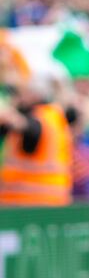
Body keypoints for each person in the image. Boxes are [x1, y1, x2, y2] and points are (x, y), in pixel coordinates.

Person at [0, 75, 73, 207]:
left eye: (25, 92)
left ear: (35, 94)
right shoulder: (55, 115)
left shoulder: (41, 117)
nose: (21, 97)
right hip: (51, 199)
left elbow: (29, 128)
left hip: (30, 201)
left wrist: (9, 117)